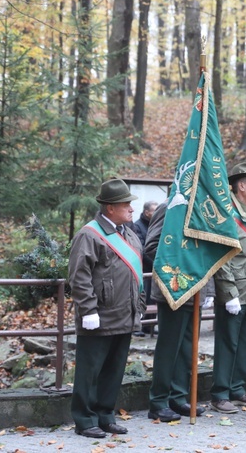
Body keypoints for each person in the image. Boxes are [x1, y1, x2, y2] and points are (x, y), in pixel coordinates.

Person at [68, 178, 145, 438]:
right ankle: (84, 419)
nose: (132, 209)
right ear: (110, 208)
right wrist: (88, 310)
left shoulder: (130, 234)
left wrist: (140, 305)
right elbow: (79, 276)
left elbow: (137, 274)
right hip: (99, 315)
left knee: (114, 369)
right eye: (126, 205)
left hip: (125, 313)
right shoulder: (89, 235)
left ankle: (105, 415)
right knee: (90, 371)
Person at [210, 162, 246, 414]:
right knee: (227, 343)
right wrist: (229, 293)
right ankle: (220, 393)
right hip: (235, 291)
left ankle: (237, 388)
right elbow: (222, 257)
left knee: (244, 342)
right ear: (241, 185)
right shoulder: (227, 214)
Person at [144, 200, 207, 422]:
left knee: (188, 349)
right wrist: (180, 273)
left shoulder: (204, 208)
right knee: (169, 347)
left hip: (197, 290)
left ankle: (178, 398)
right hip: (175, 287)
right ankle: (158, 401)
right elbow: (152, 246)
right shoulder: (169, 207)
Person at [130, 200, 159, 337]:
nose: (156, 212)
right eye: (154, 210)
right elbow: (142, 249)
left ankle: (150, 325)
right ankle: (139, 326)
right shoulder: (137, 226)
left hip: (154, 269)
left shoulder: (157, 224)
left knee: (152, 298)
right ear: (146, 212)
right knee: (143, 297)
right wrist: (156, 262)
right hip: (143, 269)